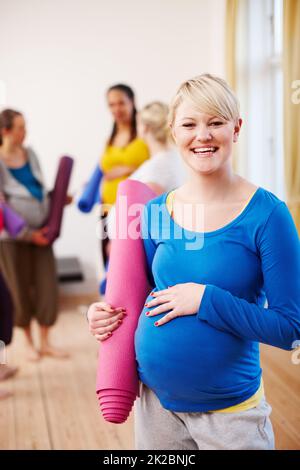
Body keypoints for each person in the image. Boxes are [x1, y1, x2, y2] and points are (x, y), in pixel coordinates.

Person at [86, 74, 300, 450]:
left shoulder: (268, 215)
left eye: (215, 122)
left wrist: (207, 299)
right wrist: (102, 315)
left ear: (236, 128)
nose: (202, 135)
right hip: (156, 408)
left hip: (231, 416)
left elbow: (290, 327)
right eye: (189, 124)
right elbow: (140, 293)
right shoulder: (154, 213)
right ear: (173, 130)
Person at [0, 109, 68, 361]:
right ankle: (28, 343)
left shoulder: (31, 154)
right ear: (5, 131)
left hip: (43, 233)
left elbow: (37, 189)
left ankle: (46, 341)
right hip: (12, 239)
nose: (24, 131)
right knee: (19, 289)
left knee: (46, 286)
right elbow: (1, 205)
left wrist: (58, 200)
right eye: (20, 127)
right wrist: (29, 235)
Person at [106, 101, 186, 240]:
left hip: (133, 251)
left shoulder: (157, 167)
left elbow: (146, 222)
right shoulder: (170, 159)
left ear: (145, 128)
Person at [99, 84, 149, 272]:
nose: (116, 109)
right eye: (111, 104)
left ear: (132, 102)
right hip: (107, 209)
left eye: (121, 103)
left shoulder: (144, 134)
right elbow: (103, 170)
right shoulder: (110, 138)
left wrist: (126, 168)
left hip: (133, 213)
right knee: (109, 267)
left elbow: (155, 166)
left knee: (132, 269)